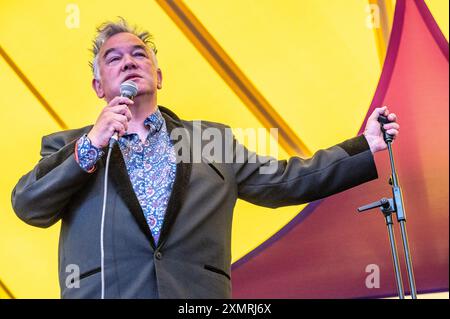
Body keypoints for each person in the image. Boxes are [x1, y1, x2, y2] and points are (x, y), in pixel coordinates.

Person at [11, 18, 399, 299]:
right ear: (99, 87)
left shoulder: (209, 140)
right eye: (114, 59)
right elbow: (29, 206)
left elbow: (286, 180)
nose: (129, 62)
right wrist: (92, 142)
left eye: (139, 55)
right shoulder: (71, 147)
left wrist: (365, 145)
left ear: (159, 76)